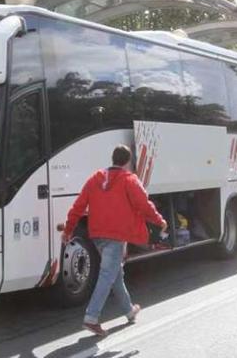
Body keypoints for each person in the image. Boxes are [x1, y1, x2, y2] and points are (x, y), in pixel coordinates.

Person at [61, 144, 168, 337]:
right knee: (108, 275)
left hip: (97, 235)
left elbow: (78, 206)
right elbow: (144, 205)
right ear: (127, 161)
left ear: (112, 159)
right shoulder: (129, 179)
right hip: (116, 236)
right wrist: (159, 221)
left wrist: (69, 230)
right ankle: (91, 318)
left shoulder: (95, 178)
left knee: (115, 273)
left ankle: (129, 311)